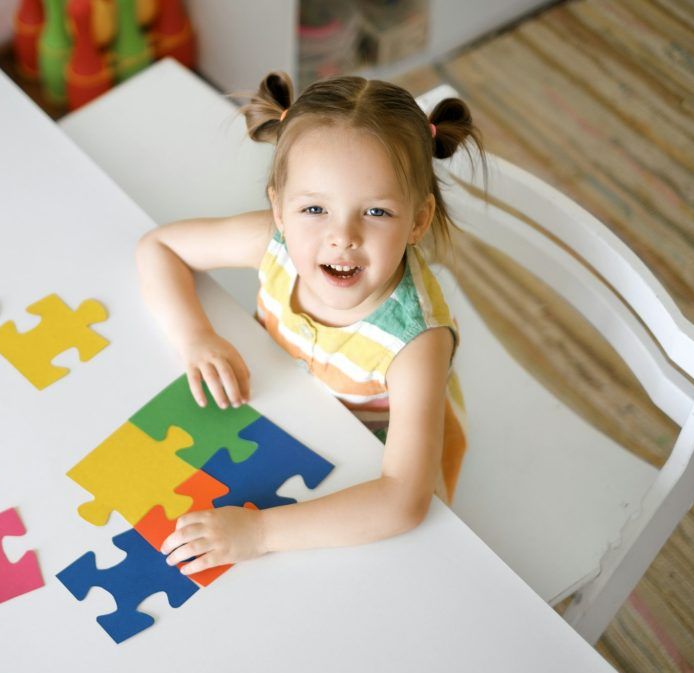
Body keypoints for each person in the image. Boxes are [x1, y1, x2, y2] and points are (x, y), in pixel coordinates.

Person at [135, 71, 483, 577]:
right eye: (315, 208)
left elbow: (403, 501)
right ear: (278, 206)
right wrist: (194, 336)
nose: (342, 236)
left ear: (418, 220)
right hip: (281, 412)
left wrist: (260, 534)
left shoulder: (416, 344)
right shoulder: (272, 242)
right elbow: (158, 247)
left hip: (371, 453)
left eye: (377, 211)